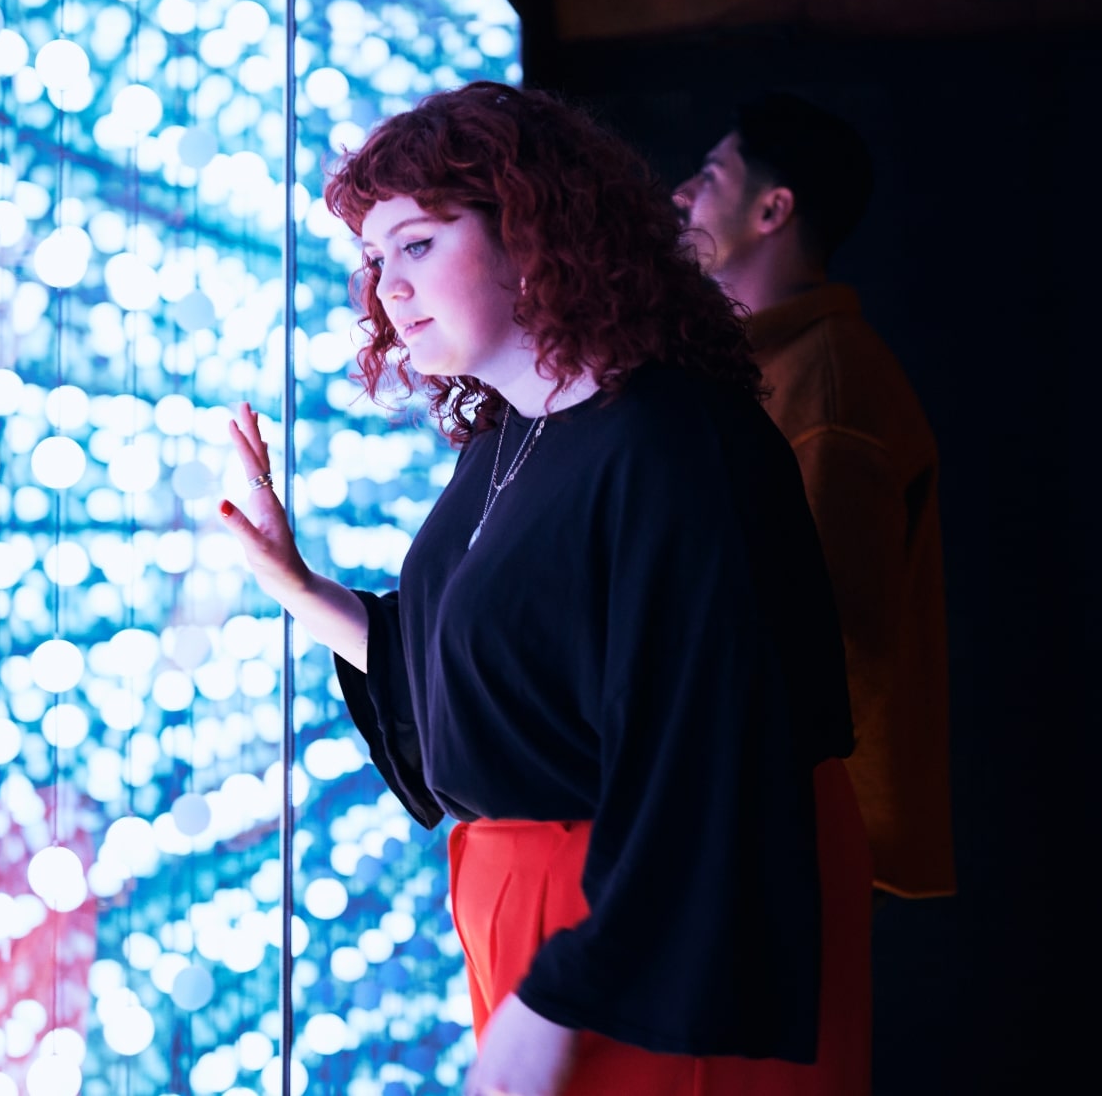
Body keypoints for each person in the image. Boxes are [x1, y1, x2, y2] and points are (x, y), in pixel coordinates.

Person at [218, 82, 871, 1096]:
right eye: (373, 257)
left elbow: (708, 751)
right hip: (541, 913)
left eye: (419, 243)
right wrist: (291, 582)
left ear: (534, 231)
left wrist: (563, 991)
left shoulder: (673, 439)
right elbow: (476, 677)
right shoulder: (510, 432)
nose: (385, 286)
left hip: (653, 925)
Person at [673, 92, 956, 903]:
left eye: (711, 174)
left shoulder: (828, 390)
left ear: (773, 207)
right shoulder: (742, 371)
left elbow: (829, 658)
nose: (681, 194)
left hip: (793, 847)